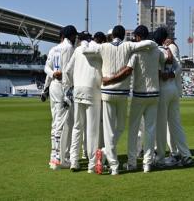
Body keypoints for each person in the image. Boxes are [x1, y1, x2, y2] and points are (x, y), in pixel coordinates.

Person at [82, 25, 157, 175]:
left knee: (109, 130)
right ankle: (108, 156)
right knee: (121, 127)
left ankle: (113, 165)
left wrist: (86, 42)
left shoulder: (103, 46)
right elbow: (150, 44)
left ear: (112, 35)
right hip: (122, 93)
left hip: (107, 93)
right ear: (123, 35)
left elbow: (85, 50)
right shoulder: (129, 45)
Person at [103, 25, 167, 173]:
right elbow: (167, 59)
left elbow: (128, 70)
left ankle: (132, 163)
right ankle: (147, 164)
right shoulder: (157, 51)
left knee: (133, 130)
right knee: (150, 130)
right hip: (154, 94)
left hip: (139, 94)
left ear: (138, 37)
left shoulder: (136, 52)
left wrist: (110, 79)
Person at [63, 31, 103, 174]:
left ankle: (74, 161)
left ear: (81, 39)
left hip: (78, 89)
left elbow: (67, 71)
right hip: (93, 90)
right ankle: (91, 165)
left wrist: (73, 83)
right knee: (92, 129)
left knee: (77, 127)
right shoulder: (98, 49)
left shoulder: (78, 50)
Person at [44, 25, 77, 170]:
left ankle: (56, 155)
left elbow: (46, 68)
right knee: (62, 123)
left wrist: (52, 75)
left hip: (53, 87)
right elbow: (69, 71)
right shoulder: (69, 48)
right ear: (72, 36)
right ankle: (58, 159)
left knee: (56, 121)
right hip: (64, 87)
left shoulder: (53, 49)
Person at [161, 35, 193, 167]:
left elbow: (177, 66)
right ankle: (182, 154)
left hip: (169, 87)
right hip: (173, 88)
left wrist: (169, 75)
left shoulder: (171, 47)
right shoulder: (170, 46)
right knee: (173, 124)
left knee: (170, 125)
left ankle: (175, 154)